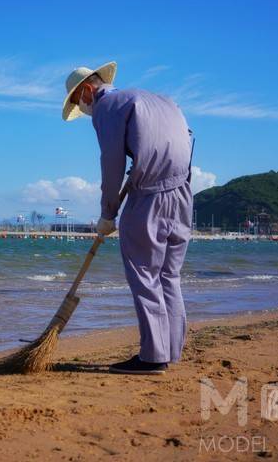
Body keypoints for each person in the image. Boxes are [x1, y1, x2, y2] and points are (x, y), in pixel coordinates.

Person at [62, 62, 193, 375]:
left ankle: (152, 357)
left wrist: (108, 214)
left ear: (86, 91)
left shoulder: (108, 107)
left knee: (144, 273)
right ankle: (171, 350)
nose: (83, 108)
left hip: (148, 196)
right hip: (183, 191)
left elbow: (111, 162)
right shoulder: (161, 100)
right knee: (169, 276)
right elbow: (188, 137)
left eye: (78, 101)